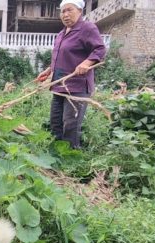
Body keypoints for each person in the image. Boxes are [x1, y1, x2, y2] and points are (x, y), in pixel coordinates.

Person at [36, 0, 106, 149]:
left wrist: (86, 63)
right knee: (55, 121)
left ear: (80, 11)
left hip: (77, 86)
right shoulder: (62, 33)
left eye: (70, 10)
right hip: (59, 85)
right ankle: (57, 153)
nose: (65, 14)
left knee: (70, 124)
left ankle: (71, 157)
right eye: (63, 11)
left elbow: (99, 49)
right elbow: (61, 56)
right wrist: (49, 70)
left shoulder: (87, 28)